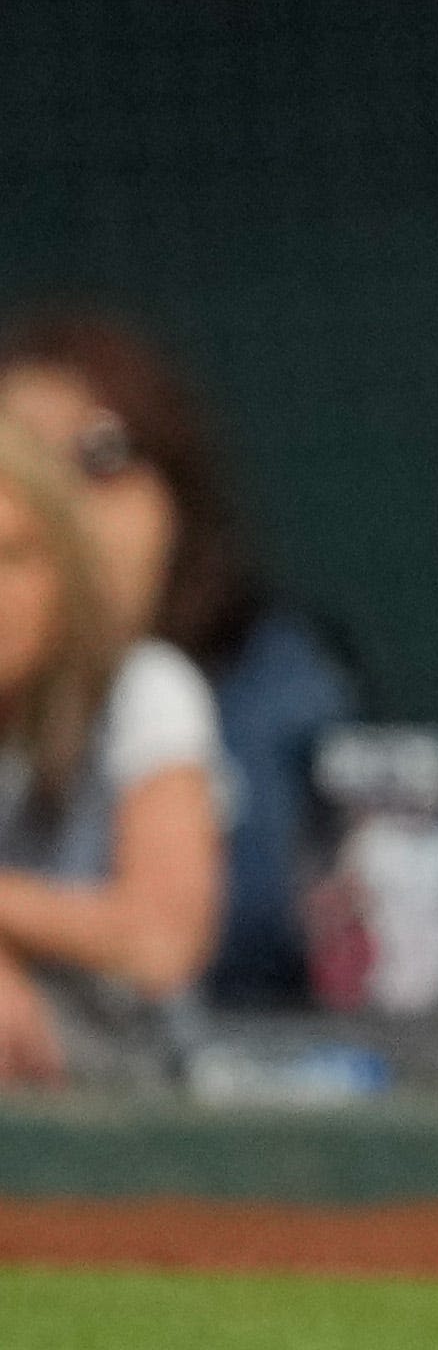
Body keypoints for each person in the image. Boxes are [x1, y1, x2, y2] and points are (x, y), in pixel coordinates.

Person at [0, 314, 362, 1007]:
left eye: (98, 457)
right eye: (24, 459)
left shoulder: (180, 685)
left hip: (153, 1082)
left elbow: (173, 941)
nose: (59, 502)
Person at [0, 420, 226, 1084]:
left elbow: (161, 942)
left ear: (65, 567)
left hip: (137, 1090)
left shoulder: (144, 690)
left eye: (14, 556)